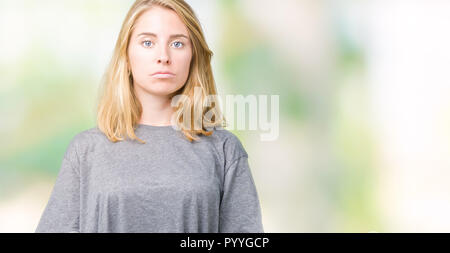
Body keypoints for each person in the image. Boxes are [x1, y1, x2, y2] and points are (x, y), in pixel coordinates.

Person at [35, 0, 264, 233]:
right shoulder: (85, 151)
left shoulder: (224, 150)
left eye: (177, 43)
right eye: (147, 42)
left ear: (193, 55)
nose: (163, 56)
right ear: (126, 55)